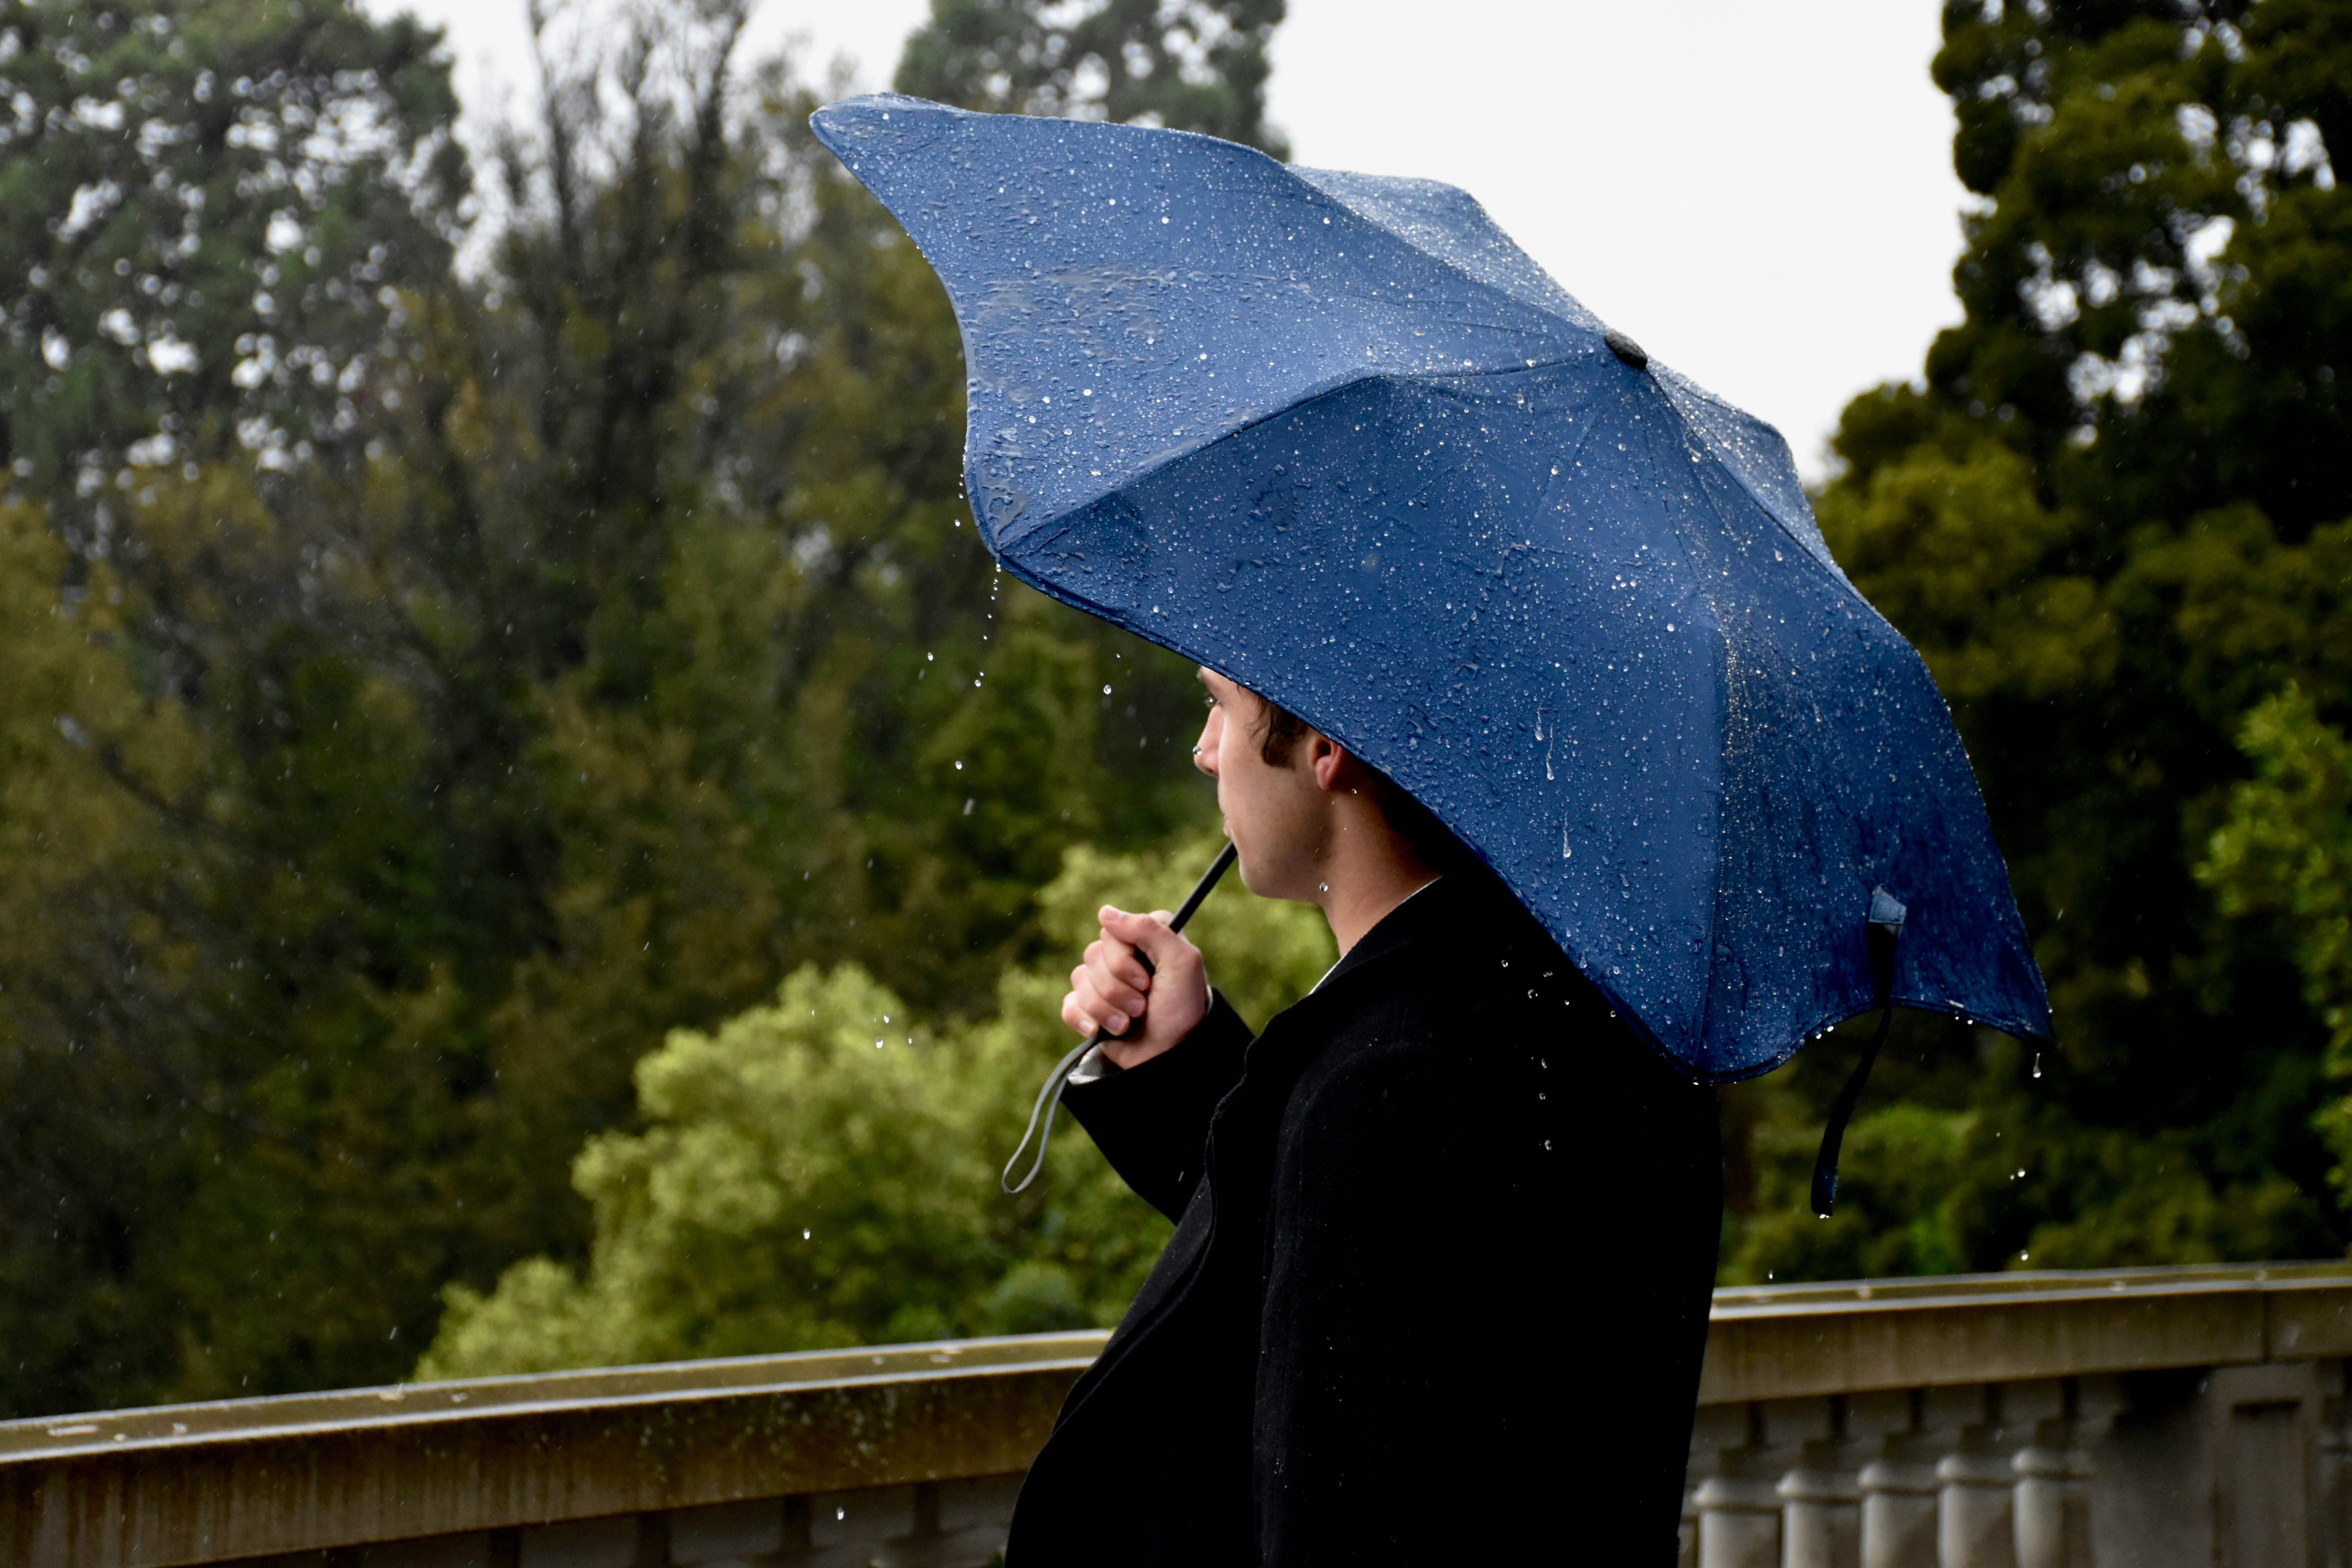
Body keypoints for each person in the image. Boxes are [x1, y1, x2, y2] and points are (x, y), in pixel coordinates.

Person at [1002, 667, 1724, 1565]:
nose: (1203, 750)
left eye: (1221, 706)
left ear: (1327, 748)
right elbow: (1360, 1289)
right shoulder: (1574, 1015)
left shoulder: (1395, 1082)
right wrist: (1183, 1066)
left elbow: (1354, 1507)